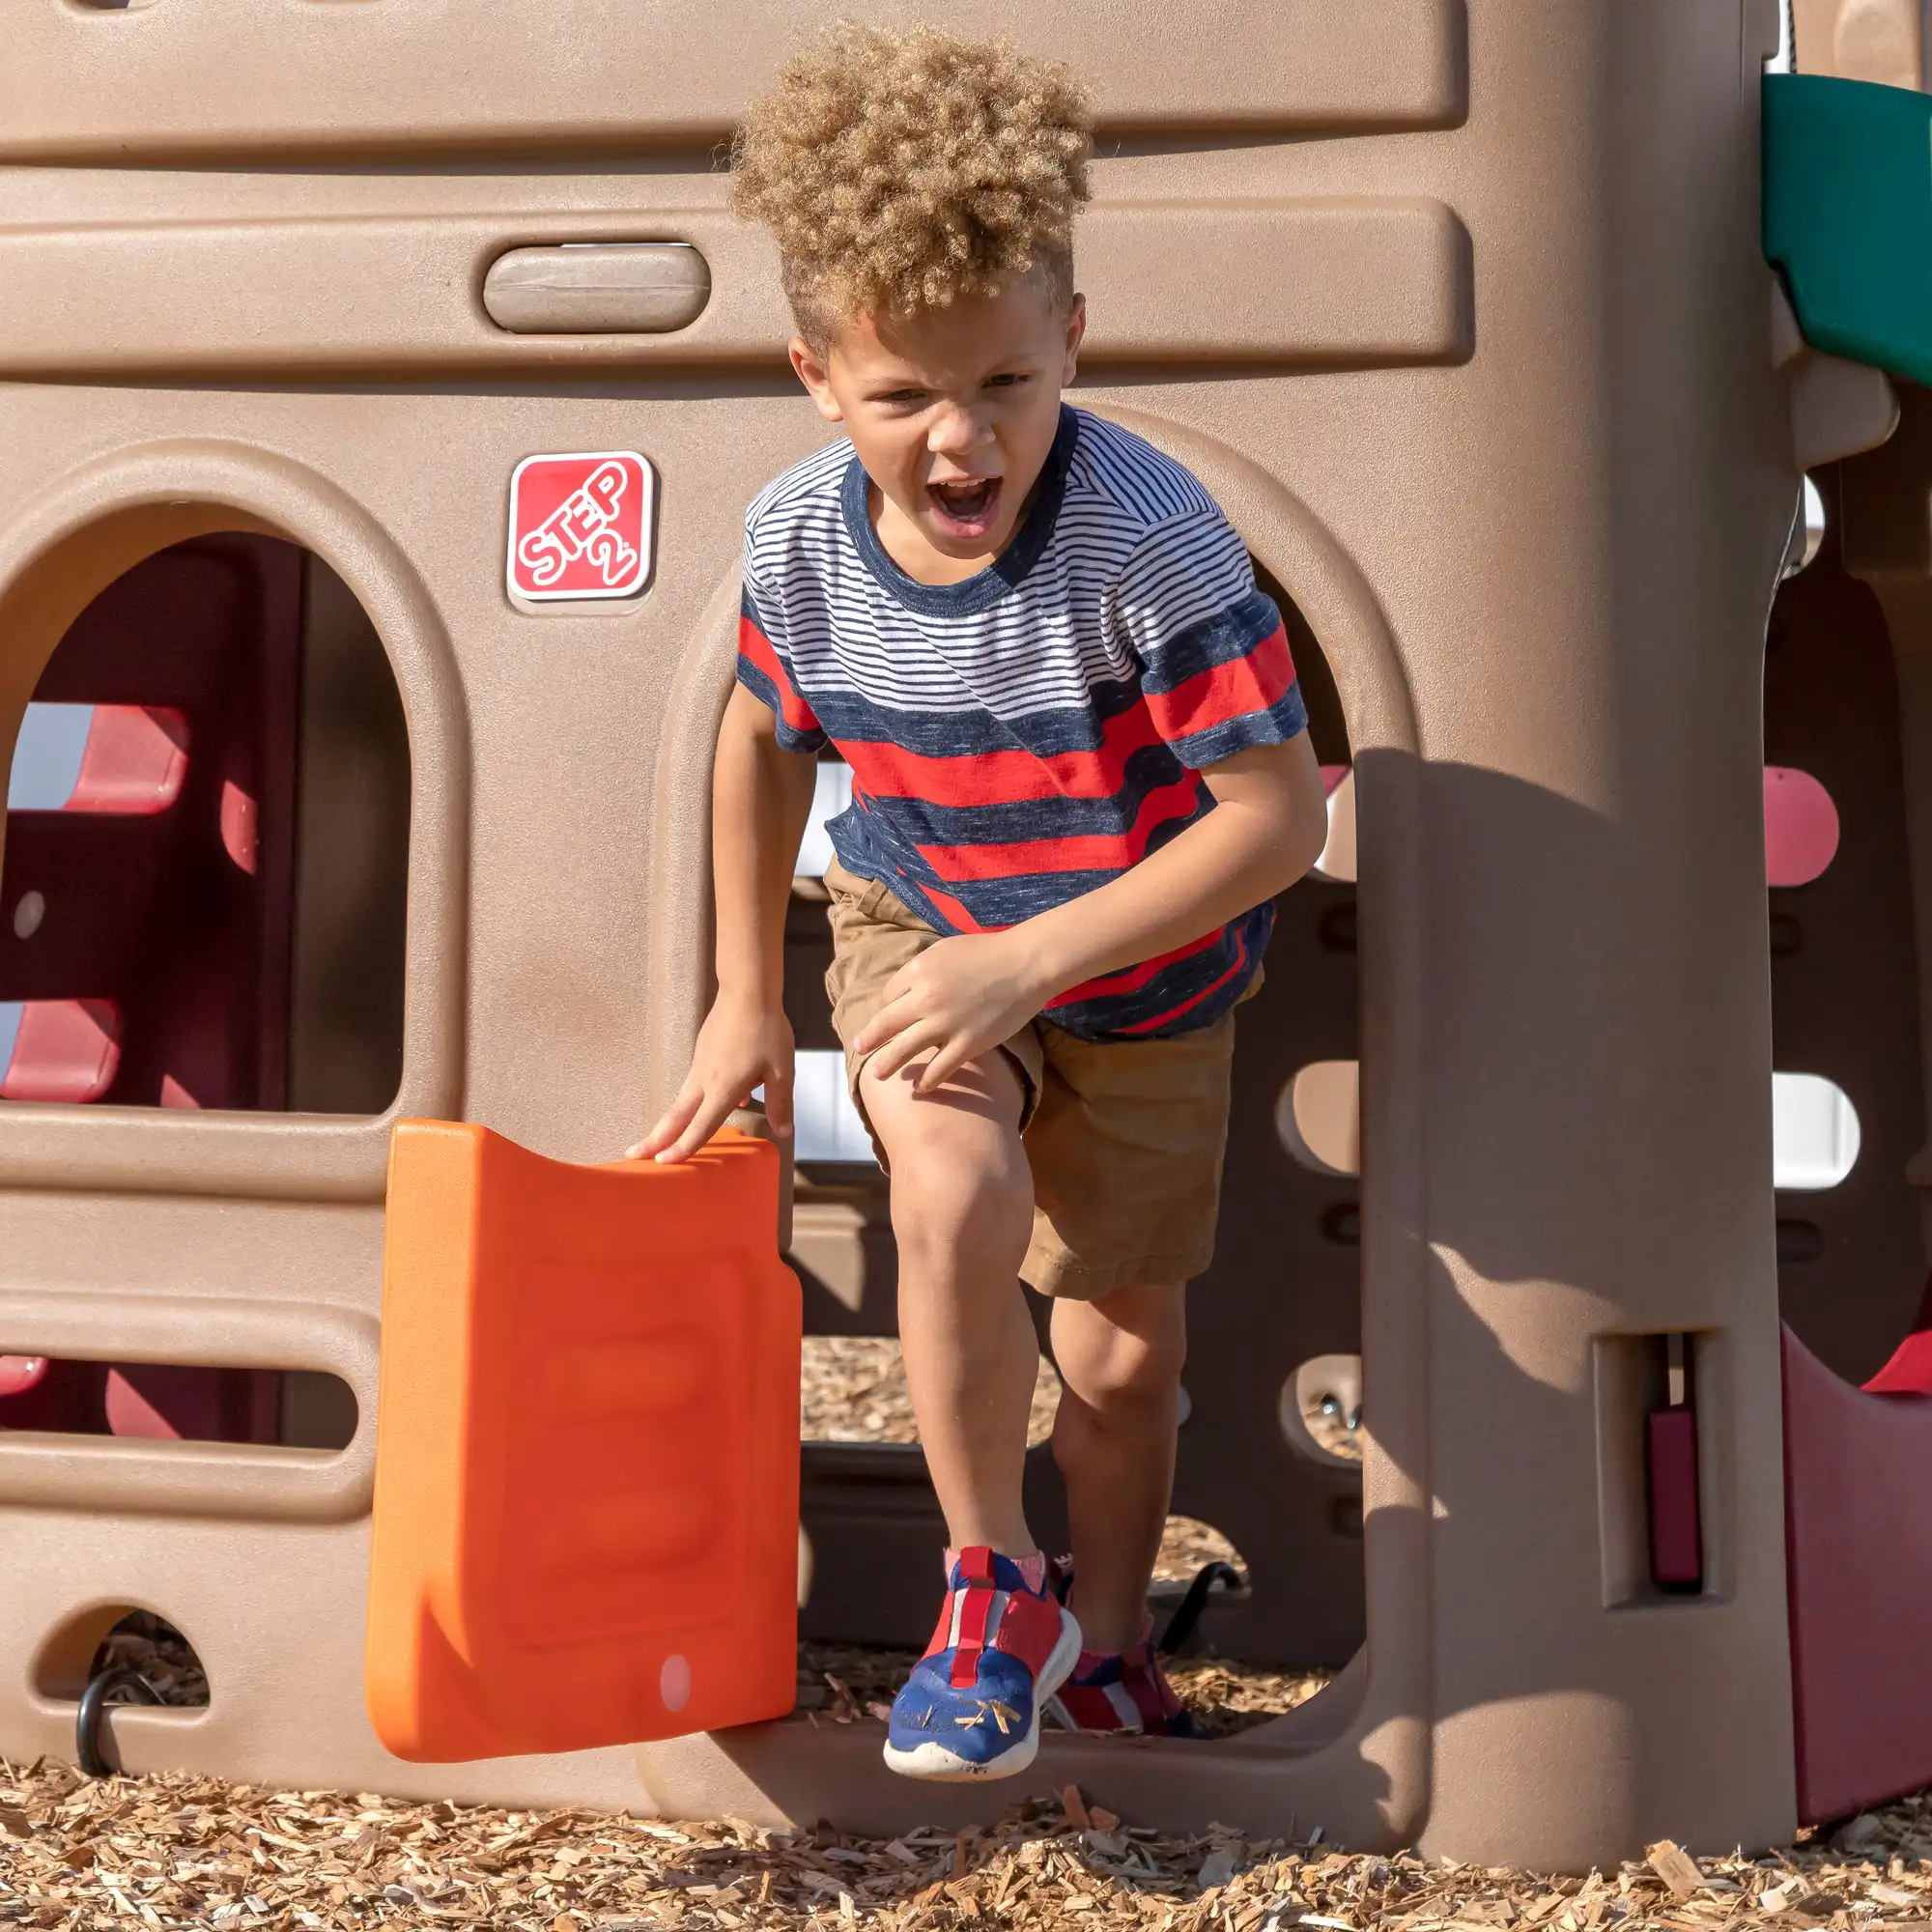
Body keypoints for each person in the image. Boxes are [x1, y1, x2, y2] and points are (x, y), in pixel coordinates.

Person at [632, 23, 1328, 1780]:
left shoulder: (1148, 538)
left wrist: (1039, 961)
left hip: (1141, 975)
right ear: (816, 377)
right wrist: (744, 994)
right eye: (904, 398)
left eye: (1008, 382)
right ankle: (991, 1583)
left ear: (1072, 339)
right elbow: (760, 736)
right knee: (950, 1185)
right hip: (925, 918)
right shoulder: (799, 541)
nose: (961, 436)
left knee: (1120, 1370)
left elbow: (1272, 820)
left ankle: (1106, 1646)